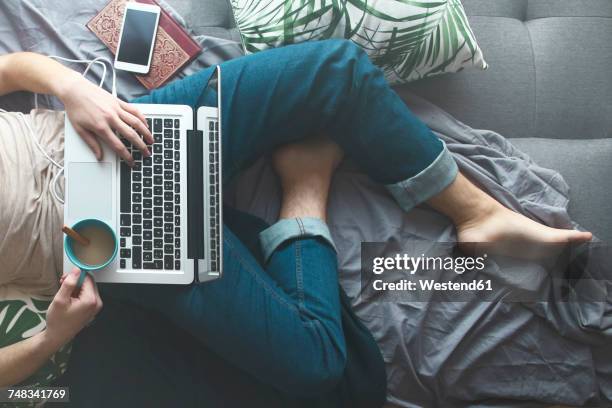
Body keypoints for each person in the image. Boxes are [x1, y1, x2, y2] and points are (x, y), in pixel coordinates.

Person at [0, 41, 592, 406]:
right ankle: (304, 193)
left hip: (116, 134)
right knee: (316, 367)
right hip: (107, 251)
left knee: (337, 70)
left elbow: (11, 68)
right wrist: (53, 338)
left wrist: (69, 86)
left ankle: (478, 216)